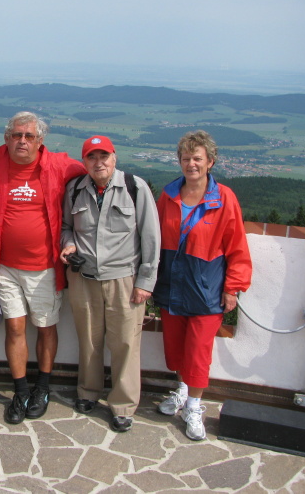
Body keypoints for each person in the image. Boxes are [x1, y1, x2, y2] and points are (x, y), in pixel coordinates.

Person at [0, 112, 86, 424]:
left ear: (40, 141)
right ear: (6, 138)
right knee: (14, 328)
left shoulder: (59, 165)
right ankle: (20, 391)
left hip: (44, 268)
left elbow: (94, 172)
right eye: (16, 135)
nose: (22, 141)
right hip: (5, 266)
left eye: (29, 136)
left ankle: (42, 387)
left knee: (45, 327)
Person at [153, 130, 252, 441]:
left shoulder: (224, 198)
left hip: (206, 288)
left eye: (197, 158)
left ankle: (194, 406)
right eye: (186, 158)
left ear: (210, 162)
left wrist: (233, 287)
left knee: (198, 351)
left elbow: (237, 246)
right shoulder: (168, 196)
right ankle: (183, 390)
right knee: (176, 348)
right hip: (171, 285)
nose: (191, 164)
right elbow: (152, 239)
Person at [60, 135, 160, 433]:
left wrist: (145, 281)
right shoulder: (75, 189)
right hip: (84, 278)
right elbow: (66, 227)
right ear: (84, 161)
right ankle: (88, 392)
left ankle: (123, 405)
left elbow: (151, 237)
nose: (98, 162)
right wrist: (68, 244)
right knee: (89, 340)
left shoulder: (135, 187)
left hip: (124, 280)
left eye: (104, 156)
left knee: (125, 343)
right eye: (92, 157)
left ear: (114, 157)